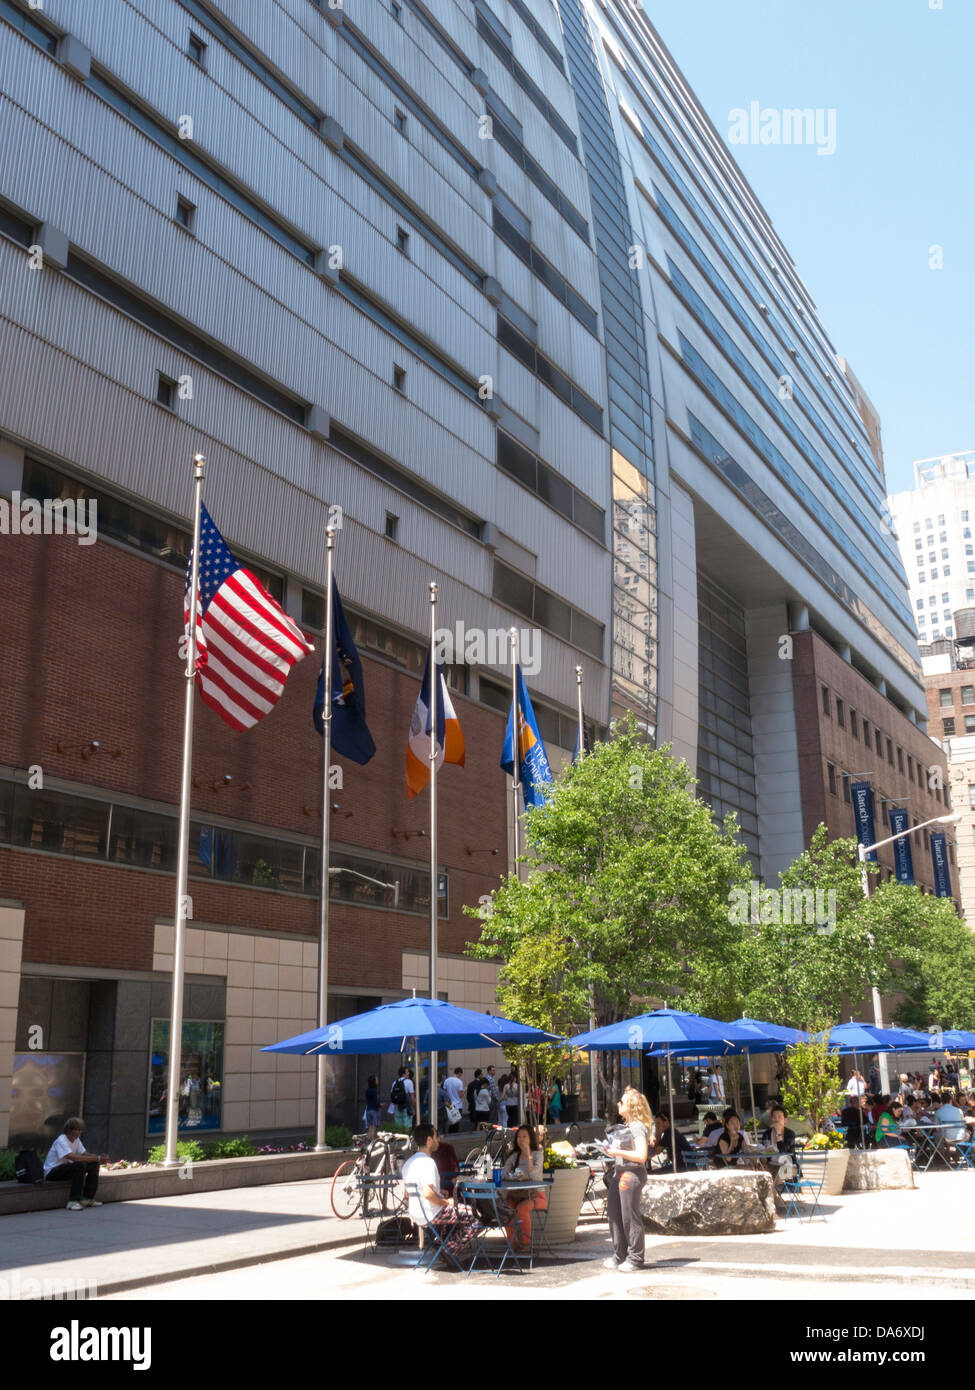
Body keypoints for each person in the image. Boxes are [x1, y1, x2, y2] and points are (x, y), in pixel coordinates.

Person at [603, 1087, 652, 1272]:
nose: (618, 1104)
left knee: (629, 1216)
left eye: (621, 1102)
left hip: (631, 1174)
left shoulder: (637, 1127)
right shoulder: (627, 1127)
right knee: (615, 1214)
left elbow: (641, 1155)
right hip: (620, 1172)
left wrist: (617, 1152)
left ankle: (636, 1257)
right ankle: (620, 1255)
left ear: (630, 1107)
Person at [500, 1124, 548, 1252]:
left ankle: (526, 1243)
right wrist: (514, 1177)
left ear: (530, 1139)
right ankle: (513, 1243)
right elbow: (504, 1173)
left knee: (522, 1209)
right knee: (505, 1209)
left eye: (524, 1137)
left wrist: (528, 1156)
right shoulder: (514, 1156)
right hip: (516, 1194)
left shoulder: (538, 1155)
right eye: (519, 1137)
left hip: (536, 1196)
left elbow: (533, 1176)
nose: (521, 1140)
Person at [44, 1117, 108, 1210]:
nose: (79, 1132)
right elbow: (73, 1158)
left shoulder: (76, 1140)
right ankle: (72, 1201)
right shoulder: (61, 1140)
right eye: (77, 1130)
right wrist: (97, 1158)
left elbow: (85, 1154)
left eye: (81, 1130)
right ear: (70, 1130)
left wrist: (99, 1157)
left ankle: (87, 1198)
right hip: (52, 1172)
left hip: (66, 1169)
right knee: (80, 1165)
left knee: (94, 1164)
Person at [402, 1124, 451, 1236]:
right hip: (432, 1214)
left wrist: (439, 1191)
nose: (438, 1140)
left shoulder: (408, 1163)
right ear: (429, 1140)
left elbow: (407, 1194)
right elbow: (427, 1193)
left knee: (459, 1211)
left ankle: (442, 1245)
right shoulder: (428, 1162)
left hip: (416, 1215)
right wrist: (446, 1202)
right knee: (473, 1216)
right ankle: (448, 1248)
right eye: (436, 1137)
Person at [760, 1104, 797, 1185]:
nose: (776, 1119)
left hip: (788, 1166)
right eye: (774, 1117)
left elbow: (783, 1151)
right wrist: (764, 1162)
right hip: (770, 1165)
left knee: (774, 1179)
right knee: (759, 1174)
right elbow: (763, 1150)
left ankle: (774, 1196)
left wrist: (778, 1134)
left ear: (785, 1120)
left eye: (779, 1117)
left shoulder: (790, 1134)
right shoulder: (767, 1133)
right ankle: (775, 1196)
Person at [443, 1067, 464, 1134]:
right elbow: (460, 1095)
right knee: (456, 1123)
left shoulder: (447, 1080)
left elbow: (444, 1092)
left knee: (450, 1122)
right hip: (458, 1105)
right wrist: (464, 1091)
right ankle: (455, 1137)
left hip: (449, 1105)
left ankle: (449, 1135)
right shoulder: (459, 1082)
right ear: (459, 1073)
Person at [363, 1074, 381, 1141]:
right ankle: (372, 1142)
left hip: (368, 1110)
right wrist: (380, 1105)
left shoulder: (367, 1090)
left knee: (370, 1127)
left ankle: (368, 1141)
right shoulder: (375, 1090)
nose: (377, 1080)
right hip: (374, 1110)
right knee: (373, 1127)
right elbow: (376, 1102)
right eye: (376, 1079)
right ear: (374, 1081)